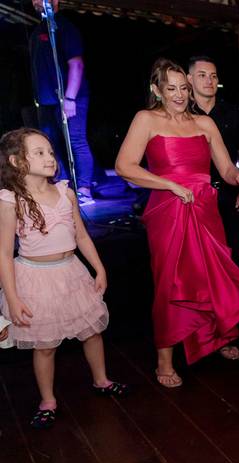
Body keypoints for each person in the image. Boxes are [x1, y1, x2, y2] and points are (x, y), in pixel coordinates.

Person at [114, 59, 239, 388]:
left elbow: (226, 169)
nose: (179, 95)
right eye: (171, 88)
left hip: (204, 209)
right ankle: (164, 361)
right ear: (157, 90)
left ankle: (217, 337)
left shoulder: (204, 123)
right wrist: (170, 185)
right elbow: (124, 166)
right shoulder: (146, 119)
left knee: (210, 275)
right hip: (169, 210)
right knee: (171, 281)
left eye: (183, 88)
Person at [0, 128, 128, 429]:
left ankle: (101, 380)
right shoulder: (11, 200)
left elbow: (81, 236)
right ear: (17, 161)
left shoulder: (66, 193)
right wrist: (13, 297)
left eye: (50, 152)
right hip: (36, 280)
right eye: (39, 153)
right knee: (45, 344)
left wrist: (99, 268)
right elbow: (4, 253)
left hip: (71, 272)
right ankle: (48, 400)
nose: (49, 158)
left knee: (91, 331)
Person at [187, 55, 239, 360]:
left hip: (228, 195)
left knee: (231, 262)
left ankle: (229, 330)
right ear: (190, 79)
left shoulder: (231, 113)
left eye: (213, 75)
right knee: (198, 266)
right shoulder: (182, 114)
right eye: (202, 75)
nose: (209, 81)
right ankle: (199, 331)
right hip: (193, 199)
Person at [29, 0, 97, 204]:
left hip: (69, 96)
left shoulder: (64, 27)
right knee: (49, 144)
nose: (35, 2)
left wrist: (70, 98)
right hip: (46, 100)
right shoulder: (37, 30)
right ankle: (63, 187)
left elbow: (76, 64)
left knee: (75, 141)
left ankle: (84, 189)